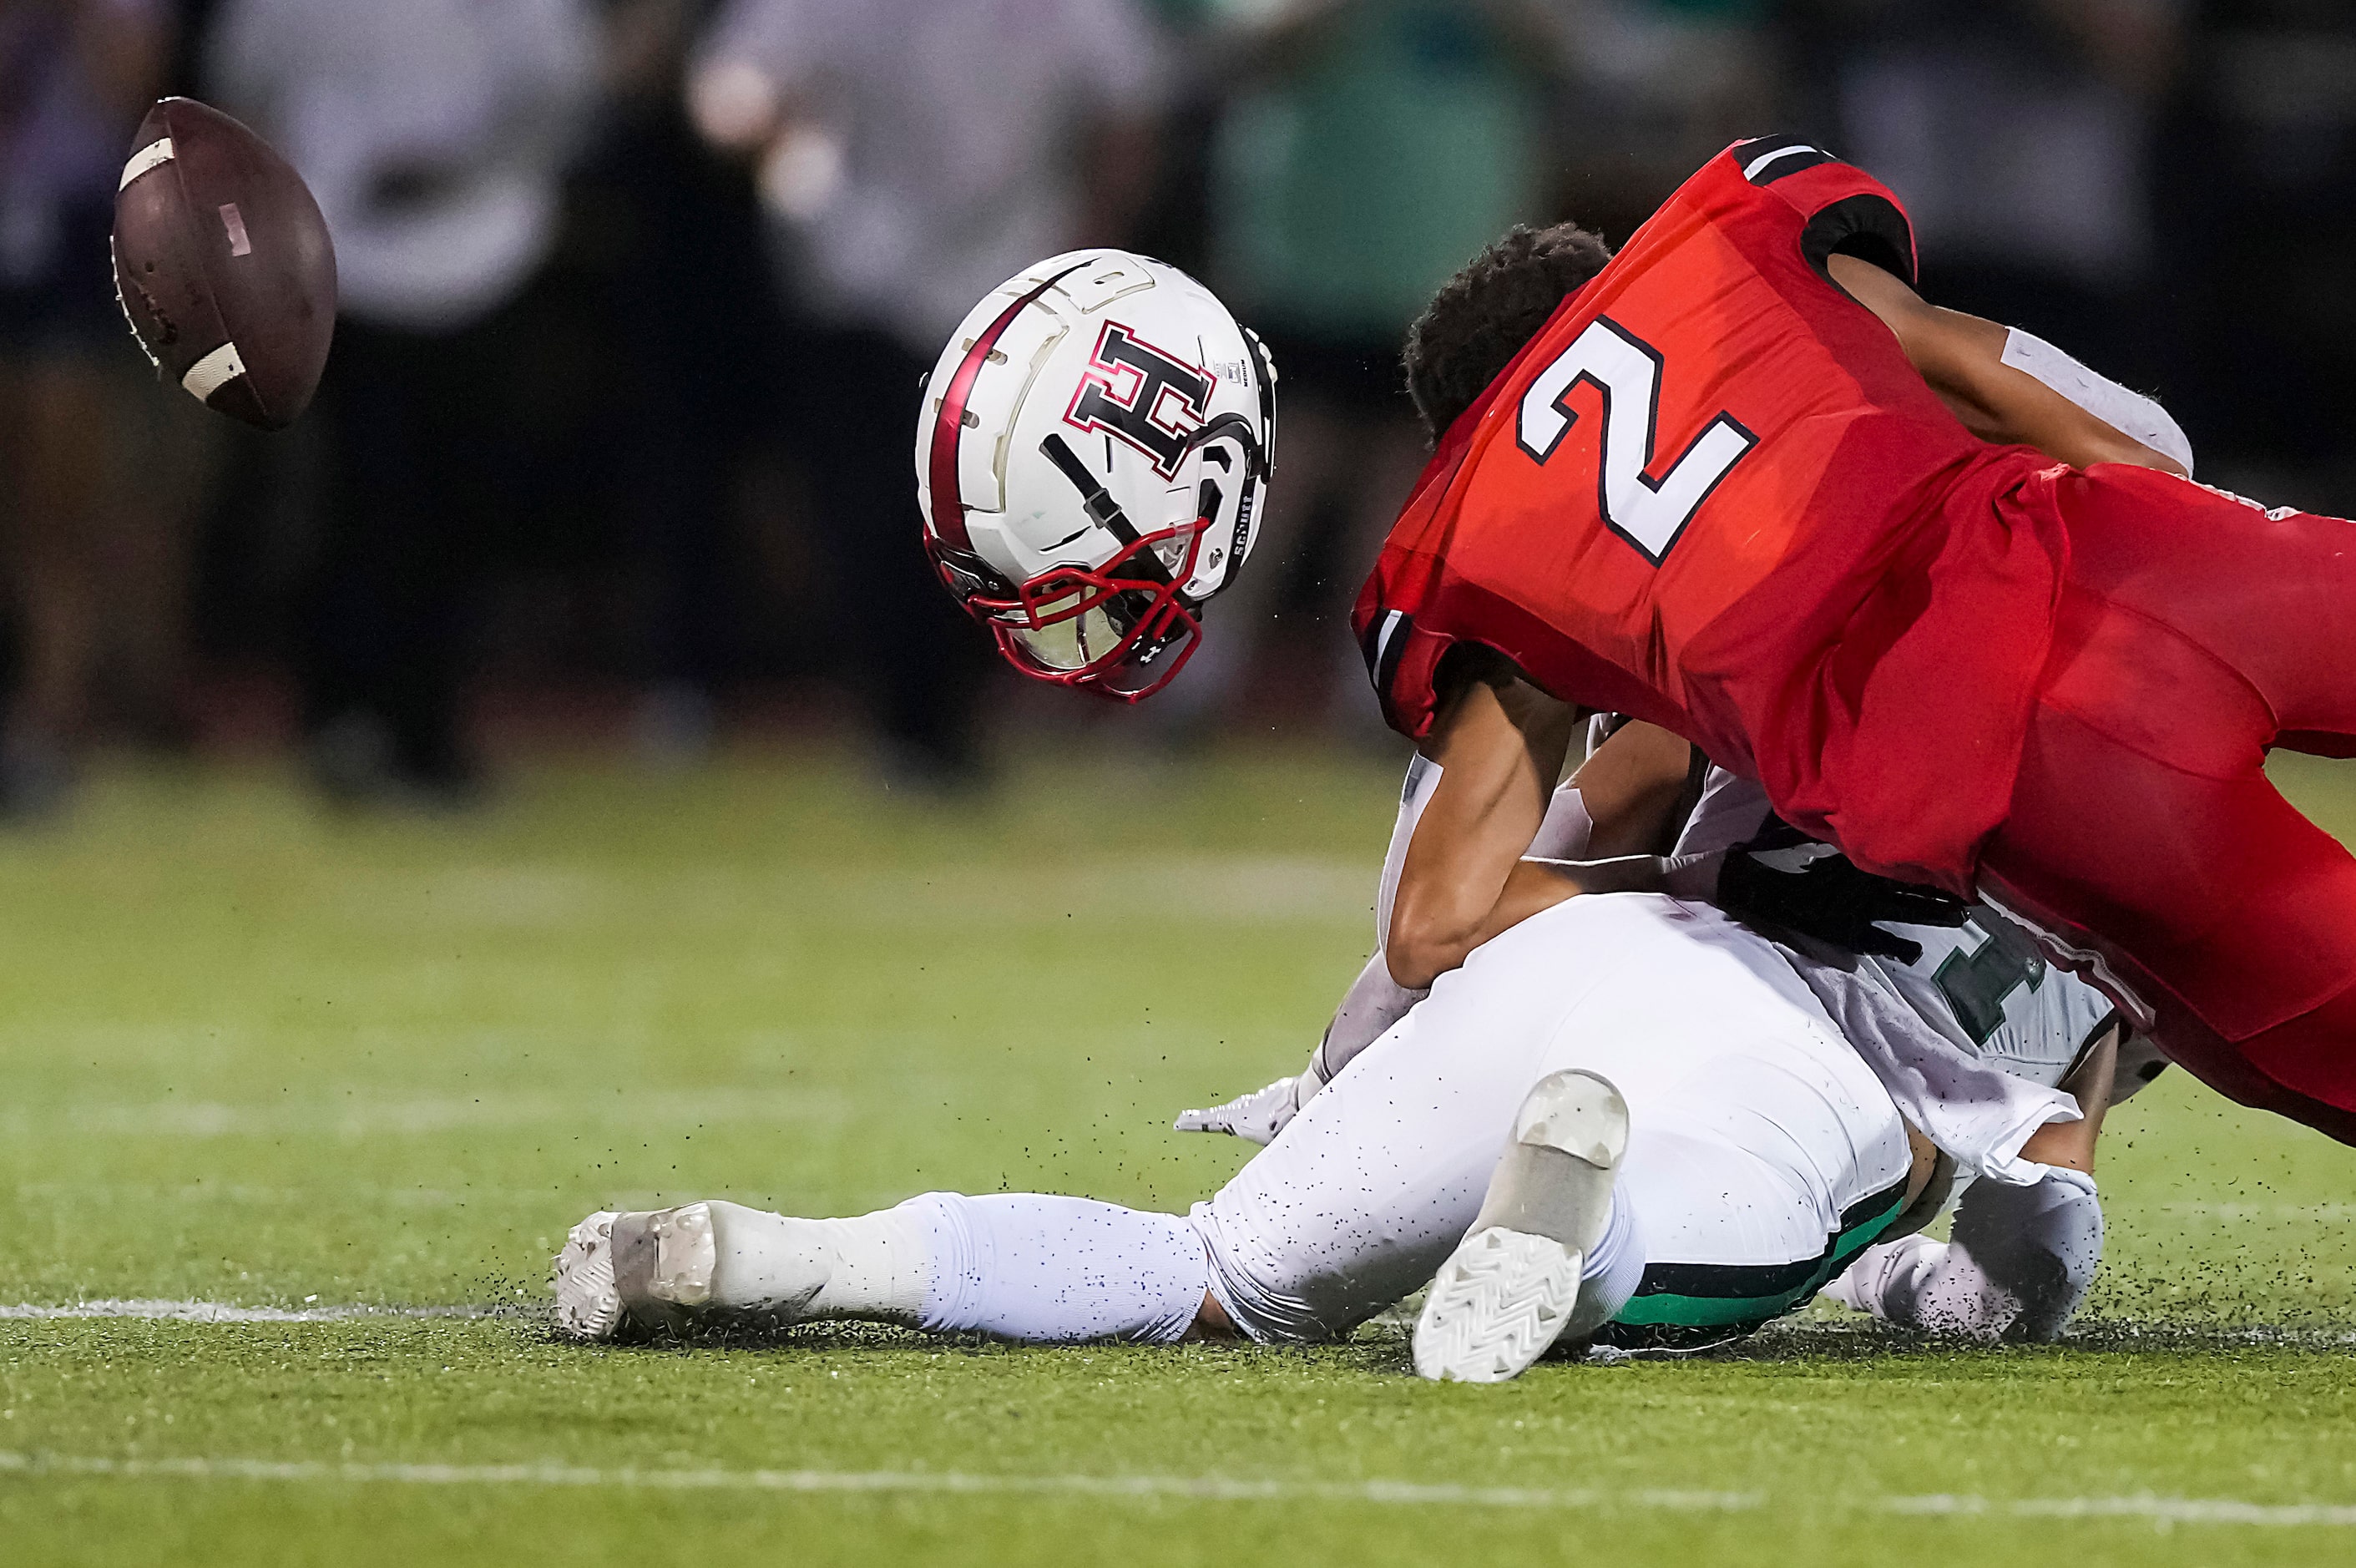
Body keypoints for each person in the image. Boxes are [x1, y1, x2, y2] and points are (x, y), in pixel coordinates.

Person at [1343, 135, 2356, 1146]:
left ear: (1460, 440)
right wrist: (2185, 535)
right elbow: (2044, 404)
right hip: (2134, 552)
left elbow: (1439, 926)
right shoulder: (1719, 253)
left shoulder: (1490, 545)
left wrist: (1707, 893)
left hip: (2014, 765)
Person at [688, 0, 1170, 789]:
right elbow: (734, 88)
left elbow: (1128, 108)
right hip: (856, 273)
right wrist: (758, 120)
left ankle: (948, 716)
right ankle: (908, 719)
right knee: (878, 514)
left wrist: (1090, 249)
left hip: (1012, 286)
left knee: (995, 516)